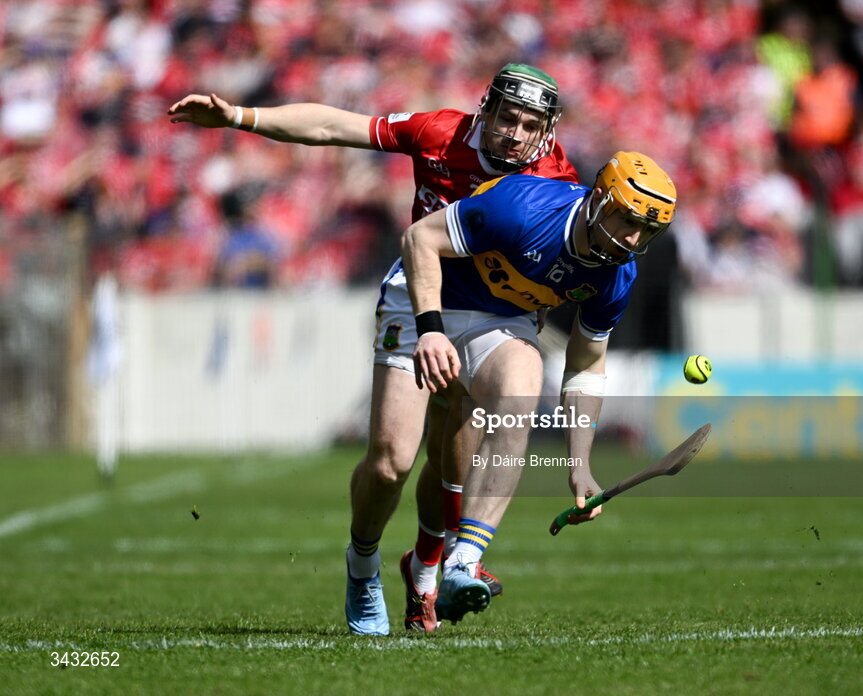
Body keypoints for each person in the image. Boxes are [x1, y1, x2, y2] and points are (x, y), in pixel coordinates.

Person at [168, 64, 578, 635]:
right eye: (507, 116)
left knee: (453, 461)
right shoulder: (440, 133)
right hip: (419, 300)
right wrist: (240, 117)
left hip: (493, 315)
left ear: (547, 130)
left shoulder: (558, 177)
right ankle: (363, 564)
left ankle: (430, 570)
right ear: (486, 108)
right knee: (391, 463)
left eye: (529, 123)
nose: (514, 132)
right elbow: (336, 125)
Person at [398, 150, 677, 624]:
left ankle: (460, 563)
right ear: (600, 199)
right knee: (395, 460)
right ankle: (372, 565)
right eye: (627, 220)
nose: (633, 239)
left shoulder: (616, 272)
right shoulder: (522, 207)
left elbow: (587, 367)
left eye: (647, 231)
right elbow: (419, 239)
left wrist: (579, 464)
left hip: (502, 325)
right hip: (429, 305)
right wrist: (430, 328)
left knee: (517, 400)